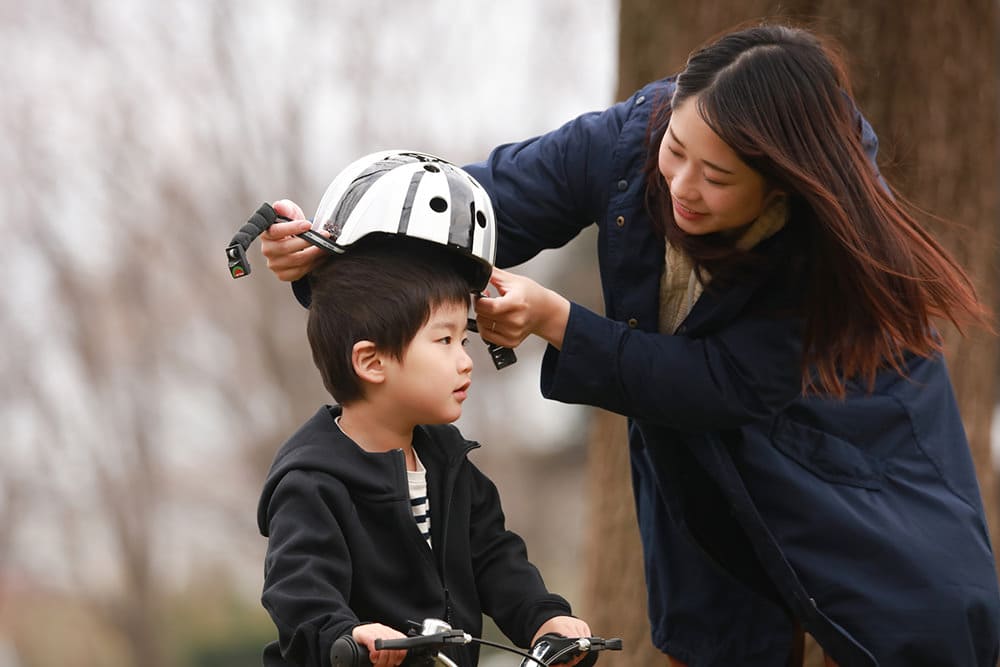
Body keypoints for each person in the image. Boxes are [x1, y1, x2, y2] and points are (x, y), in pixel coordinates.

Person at [258, 24, 1000, 667]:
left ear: (783, 187)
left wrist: (559, 320)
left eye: (716, 177)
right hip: (702, 451)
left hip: (855, 460)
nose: (678, 181)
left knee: (911, 631)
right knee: (718, 635)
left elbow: (727, 383)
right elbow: (470, 210)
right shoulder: (628, 142)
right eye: (677, 148)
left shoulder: (824, 232)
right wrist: (329, 252)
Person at [255, 151, 592, 667]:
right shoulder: (312, 481)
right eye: (445, 341)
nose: (465, 362)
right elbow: (299, 591)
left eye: (465, 340)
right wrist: (347, 636)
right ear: (371, 361)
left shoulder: (449, 463)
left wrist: (544, 619)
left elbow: (496, 558)